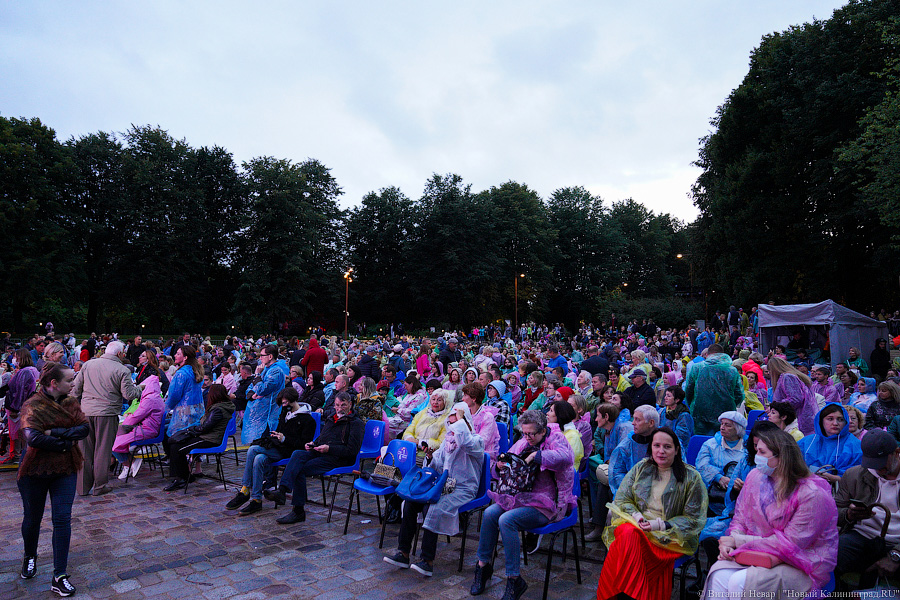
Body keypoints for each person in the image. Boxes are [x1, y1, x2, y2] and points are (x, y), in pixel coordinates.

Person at [702, 428, 838, 598]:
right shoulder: (755, 476)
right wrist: (730, 542)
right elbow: (740, 518)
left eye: (762, 452)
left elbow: (790, 545)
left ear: (781, 457)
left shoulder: (812, 494)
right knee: (718, 575)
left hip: (799, 562)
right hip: (755, 553)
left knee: (740, 582)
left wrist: (738, 541)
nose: (756, 456)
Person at [470, 410, 575, 600]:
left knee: (507, 520)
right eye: (524, 433)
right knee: (490, 513)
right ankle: (483, 566)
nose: (527, 437)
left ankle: (514, 578)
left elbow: (566, 458)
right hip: (522, 498)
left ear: (542, 431)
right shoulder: (525, 441)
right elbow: (510, 459)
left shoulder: (556, 438)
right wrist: (501, 465)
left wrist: (537, 455)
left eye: (531, 434)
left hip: (547, 503)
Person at [596, 427, 707, 600]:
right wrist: (637, 517)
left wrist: (660, 525)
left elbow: (693, 519)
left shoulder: (691, 477)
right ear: (651, 448)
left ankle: (621, 595)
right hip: (638, 527)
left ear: (677, 450)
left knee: (627, 539)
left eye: (667, 447)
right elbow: (623, 499)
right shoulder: (641, 468)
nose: (661, 451)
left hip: (670, 537)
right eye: (657, 446)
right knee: (629, 533)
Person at [384, 401, 485, 576]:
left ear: (465, 422)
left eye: (456, 422)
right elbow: (438, 464)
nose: (452, 426)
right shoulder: (448, 441)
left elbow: (465, 443)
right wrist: (430, 456)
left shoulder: (476, 441)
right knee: (410, 503)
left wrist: (460, 419)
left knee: (433, 508)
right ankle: (403, 552)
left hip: (463, 488)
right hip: (443, 485)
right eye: (450, 423)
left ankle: (427, 560)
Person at [17, 362, 89, 597]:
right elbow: (34, 438)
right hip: (34, 471)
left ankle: (59, 575)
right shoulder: (32, 405)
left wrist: (54, 432)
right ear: (54, 383)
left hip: (65, 468)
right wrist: (66, 443)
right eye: (69, 380)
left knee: (62, 519)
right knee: (33, 518)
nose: (73, 383)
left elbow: (84, 428)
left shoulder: (71, 403)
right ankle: (30, 555)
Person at [267, 392, 364, 523]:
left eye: (343, 405)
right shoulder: (332, 418)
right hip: (322, 452)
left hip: (338, 458)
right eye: (337, 405)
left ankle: (298, 510)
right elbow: (322, 437)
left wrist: (329, 448)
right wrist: (313, 444)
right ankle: (282, 491)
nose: (339, 408)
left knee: (300, 469)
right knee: (298, 454)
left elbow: (352, 450)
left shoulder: (356, 423)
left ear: (350, 404)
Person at [226, 387, 316, 515]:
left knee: (253, 450)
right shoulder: (285, 413)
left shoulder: (307, 419)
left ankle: (245, 489)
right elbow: (280, 431)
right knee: (259, 459)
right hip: (278, 448)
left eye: (286, 403)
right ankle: (256, 499)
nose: (284, 406)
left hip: (291, 451)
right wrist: (277, 435)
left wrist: (284, 439)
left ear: (293, 400)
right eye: (282, 403)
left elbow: (303, 445)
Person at [71, 341, 142, 496]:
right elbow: (129, 394)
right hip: (107, 414)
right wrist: (140, 389)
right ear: (120, 354)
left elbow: (75, 389)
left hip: (86, 412)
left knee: (84, 450)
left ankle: (82, 487)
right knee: (102, 451)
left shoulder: (88, 365)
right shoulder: (122, 370)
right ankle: (99, 486)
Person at [835, 430, 900, 588]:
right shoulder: (855, 475)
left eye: (881, 463)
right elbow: (833, 512)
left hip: (897, 541)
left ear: (897, 453)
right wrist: (849, 514)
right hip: (862, 535)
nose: (877, 468)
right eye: (872, 463)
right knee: (830, 557)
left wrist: (896, 555)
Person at [163, 384, 235, 491]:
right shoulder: (221, 407)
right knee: (175, 444)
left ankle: (180, 478)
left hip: (210, 439)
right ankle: (183, 476)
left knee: (178, 448)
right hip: (207, 436)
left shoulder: (218, 409)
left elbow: (205, 428)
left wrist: (190, 431)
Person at [111, 372, 164, 479]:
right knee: (115, 437)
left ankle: (128, 463)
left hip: (146, 430)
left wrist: (125, 422)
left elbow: (137, 416)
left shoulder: (149, 399)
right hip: (148, 428)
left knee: (113, 442)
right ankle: (128, 464)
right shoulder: (155, 397)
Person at [685, 344, 744, 436]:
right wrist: (729, 404)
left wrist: (694, 405)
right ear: (723, 354)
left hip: (700, 412)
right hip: (725, 413)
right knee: (722, 440)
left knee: (701, 440)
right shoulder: (732, 370)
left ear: (707, 354)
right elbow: (739, 394)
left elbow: (688, 391)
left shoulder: (697, 368)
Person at [798, 403, 862, 486]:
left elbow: (858, 477)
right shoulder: (807, 442)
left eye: (840, 419)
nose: (835, 423)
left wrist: (833, 478)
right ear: (821, 421)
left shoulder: (855, 445)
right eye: (830, 419)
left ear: (845, 422)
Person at [696, 411, 747, 513]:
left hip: (741, 496)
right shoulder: (710, 445)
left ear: (738, 429)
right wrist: (718, 477)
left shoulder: (749, 448)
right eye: (722, 424)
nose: (722, 427)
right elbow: (702, 466)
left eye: (728, 425)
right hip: (713, 495)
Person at [164, 344, 205, 456]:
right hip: (198, 409)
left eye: (178, 354)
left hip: (184, 411)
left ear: (185, 357)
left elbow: (174, 395)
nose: (175, 355)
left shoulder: (181, 373)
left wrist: (166, 408)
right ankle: (195, 462)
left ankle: (177, 460)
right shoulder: (196, 370)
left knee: (179, 436)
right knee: (192, 436)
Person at [610, 405, 659, 494]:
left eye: (638, 420)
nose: (633, 423)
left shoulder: (667, 442)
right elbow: (617, 473)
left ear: (651, 423)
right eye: (634, 419)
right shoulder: (626, 446)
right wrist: (632, 491)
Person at [2, 349, 40, 464]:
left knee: (18, 433)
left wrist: (15, 408)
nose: (14, 359)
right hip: (23, 407)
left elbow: (20, 392)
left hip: (18, 408)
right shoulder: (30, 371)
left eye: (16, 357)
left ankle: (17, 455)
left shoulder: (25, 372)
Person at [243, 346, 285, 444]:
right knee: (255, 442)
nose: (260, 358)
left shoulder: (276, 371)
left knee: (261, 443)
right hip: (259, 412)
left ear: (270, 356)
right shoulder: (265, 369)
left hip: (268, 415)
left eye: (262, 355)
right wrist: (252, 394)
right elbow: (251, 387)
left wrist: (257, 375)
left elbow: (262, 389)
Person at [768, 356, 818, 436]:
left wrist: (777, 406)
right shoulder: (787, 377)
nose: (769, 373)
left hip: (798, 419)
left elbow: (796, 399)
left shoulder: (787, 377)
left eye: (770, 370)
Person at [402, 388, 451, 460]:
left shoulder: (447, 419)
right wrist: (409, 439)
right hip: (411, 450)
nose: (435, 402)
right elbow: (410, 429)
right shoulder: (422, 413)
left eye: (439, 400)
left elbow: (441, 442)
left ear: (445, 402)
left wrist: (419, 443)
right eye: (433, 399)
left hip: (430, 457)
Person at [657, 385, 694, 456]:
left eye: (668, 396)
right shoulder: (662, 411)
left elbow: (681, 437)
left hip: (677, 449)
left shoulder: (684, 416)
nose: (665, 398)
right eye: (665, 395)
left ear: (677, 400)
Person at [547, 400, 584, 468]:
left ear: (560, 414)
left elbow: (568, 459)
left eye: (551, 411)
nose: (547, 413)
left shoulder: (572, 435)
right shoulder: (552, 430)